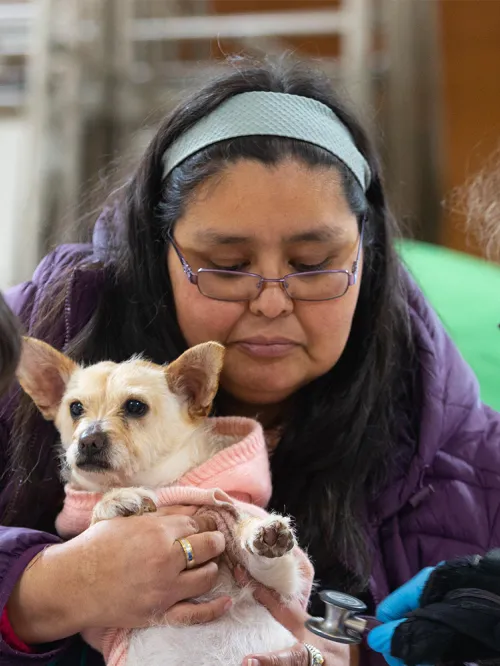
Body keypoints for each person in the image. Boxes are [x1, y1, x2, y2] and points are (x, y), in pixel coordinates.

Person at [0, 56, 499, 666]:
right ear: (159, 252)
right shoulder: (31, 341)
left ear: (366, 259)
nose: (270, 302)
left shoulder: (466, 457)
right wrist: (48, 589)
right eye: (227, 265)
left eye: (314, 263)